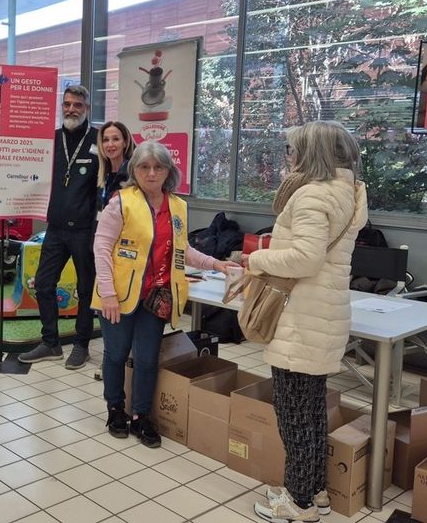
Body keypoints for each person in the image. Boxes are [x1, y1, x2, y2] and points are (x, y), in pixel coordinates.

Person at [239, 121, 368, 522]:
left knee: (294, 415)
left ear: (312, 153)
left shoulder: (313, 194)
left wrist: (255, 259)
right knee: (311, 411)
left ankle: (298, 503)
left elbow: (306, 259)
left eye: (293, 150)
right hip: (323, 315)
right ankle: (315, 490)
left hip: (301, 318)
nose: (289, 157)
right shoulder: (348, 192)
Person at [94, 141, 240, 448]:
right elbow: (102, 248)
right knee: (116, 354)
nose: (151, 173)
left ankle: (141, 415)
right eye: (144, 167)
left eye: (158, 167)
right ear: (134, 170)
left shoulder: (177, 206)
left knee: (147, 359)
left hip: (157, 296)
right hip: (118, 296)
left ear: (168, 171)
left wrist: (215, 264)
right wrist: (107, 294)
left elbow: (182, 249)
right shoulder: (121, 202)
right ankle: (115, 409)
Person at [18, 85, 100, 369]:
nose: (71, 109)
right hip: (55, 228)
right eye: (67, 104)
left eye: (77, 105)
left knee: (86, 289)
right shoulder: (51, 140)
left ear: (87, 108)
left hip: (85, 230)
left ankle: (81, 345)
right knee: (43, 284)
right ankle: (51, 343)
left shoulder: (99, 140)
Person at [96, 121, 137, 211]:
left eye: (115, 139)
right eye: (105, 140)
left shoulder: (134, 174)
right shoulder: (101, 174)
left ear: (125, 142)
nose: (110, 144)